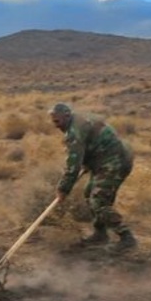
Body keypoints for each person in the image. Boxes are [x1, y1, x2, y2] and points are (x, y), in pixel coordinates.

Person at [49, 103, 137, 252]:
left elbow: (73, 164)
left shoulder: (74, 132)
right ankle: (100, 234)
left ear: (66, 116)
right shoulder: (80, 120)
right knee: (89, 193)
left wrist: (63, 188)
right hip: (110, 158)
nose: (55, 125)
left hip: (114, 161)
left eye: (57, 121)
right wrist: (90, 161)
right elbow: (94, 142)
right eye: (53, 121)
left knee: (99, 200)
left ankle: (126, 237)